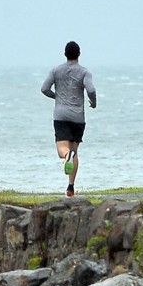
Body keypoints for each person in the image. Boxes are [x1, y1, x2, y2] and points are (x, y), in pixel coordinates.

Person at [41, 41, 96, 197]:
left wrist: (56, 97)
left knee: (62, 151)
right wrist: (93, 102)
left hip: (61, 115)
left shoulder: (56, 71)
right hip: (78, 117)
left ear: (65, 54)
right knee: (74, 150)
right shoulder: (85, 72)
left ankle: (67, 156)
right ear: (79, 54)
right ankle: (71, 187)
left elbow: (44, 89)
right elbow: (91, 89)